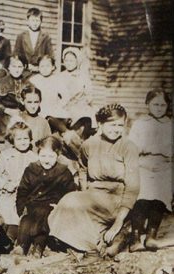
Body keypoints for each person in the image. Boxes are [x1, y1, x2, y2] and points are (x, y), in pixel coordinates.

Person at [48, 104, 140, 261]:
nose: (116, 129)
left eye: (120, 125)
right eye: (112, 125)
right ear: (100, 124)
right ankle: (85, 243)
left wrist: (118, 222)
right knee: (68, 203)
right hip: (94, 194)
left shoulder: (128, 147)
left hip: (116, 199)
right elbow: (82, 167)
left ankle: (91, 250)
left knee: (72, 201)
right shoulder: (89, 144)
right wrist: (85, 190)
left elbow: (133, 187)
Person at [14, 136, 76, 257]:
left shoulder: (63, 172)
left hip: (52, 205)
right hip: (32, 204)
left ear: (58, 156)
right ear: (38, 155)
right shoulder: (31, 169)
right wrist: (21, 208)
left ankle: (38, 246)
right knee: (26, 219)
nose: (46, 160)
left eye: (51, 156)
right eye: (43, 156)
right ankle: (21, 246)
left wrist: (60, 206)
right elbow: (22, 191)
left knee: (45, 215)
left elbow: (70, 193)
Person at [128, 89, 173, 251]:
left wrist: (158, 152)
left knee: (159, 197)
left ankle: (151, 236)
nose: (159, 108)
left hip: (164, 167)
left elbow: (170, 151)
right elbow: (133, 147)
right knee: (142, 197)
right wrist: (154, 149)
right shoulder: (140, 124)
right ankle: (135, 238)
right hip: (143, 166)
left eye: (163, 104)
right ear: (147, 104)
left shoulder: (170, 125)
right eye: (155, 104)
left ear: (168, 106)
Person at [0, 122, 37, 242]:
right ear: (12, 140)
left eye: (26, 138)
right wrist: (5, 185)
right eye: (19, 139)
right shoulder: (5, 155)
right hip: (7, 192)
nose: (23, 142)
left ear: (30, 139)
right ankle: (2, 235)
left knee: (21, 215)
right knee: (4, 209)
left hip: (26, 193)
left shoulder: (33, 158)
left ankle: (13, 237)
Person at [0, 55, 31, 146]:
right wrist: (6, 110)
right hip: (5, 114)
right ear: (8, 67)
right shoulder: (1, 82)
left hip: (23, 114)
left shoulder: (28, 84)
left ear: (24, 67)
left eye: (19, 67)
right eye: (13, 66)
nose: (16, 70)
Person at [14, 7, 54, 73]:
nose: (35, 23)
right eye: (32, 20)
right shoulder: (20, 36)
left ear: (41, 22)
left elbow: (50, 56)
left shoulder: (46, 37)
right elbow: (16, 55)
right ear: (28, 21)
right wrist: (26, 65)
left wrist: (41, 67)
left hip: (41, 72)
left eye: (37, 20)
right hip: (24, 71)